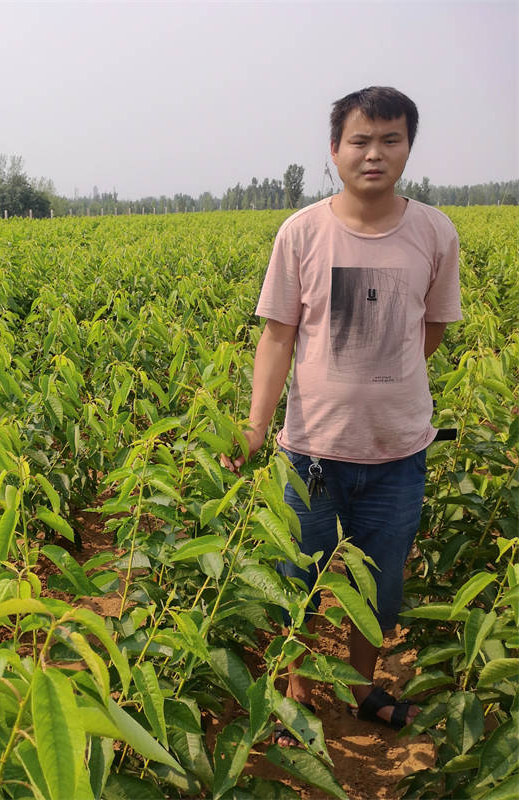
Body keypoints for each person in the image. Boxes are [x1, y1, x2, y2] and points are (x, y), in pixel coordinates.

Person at [222, 86, 462, 745]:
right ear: (334, 151)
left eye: (390, 140)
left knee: (379, 587)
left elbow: (432, 327)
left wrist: (380, 376)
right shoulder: (302, 232)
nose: (374, 154)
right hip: (311, 454)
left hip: (397, 454)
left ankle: (362, 687)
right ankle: (294, 683)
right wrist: (253, 426)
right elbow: (277, 337)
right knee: (295, 578)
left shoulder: (434, 232)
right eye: (360, 140)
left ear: (408, 148)